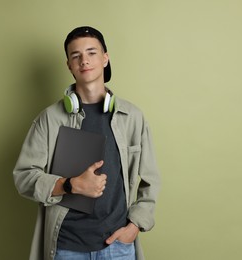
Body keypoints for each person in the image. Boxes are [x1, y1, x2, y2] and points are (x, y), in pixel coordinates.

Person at [13, 26, 160, 260]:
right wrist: (70, 185)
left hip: (118, 246)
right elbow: (24, 177)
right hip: (66, 247)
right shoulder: (49, 119)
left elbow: (151, 180)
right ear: (69, 65)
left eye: (92, 52)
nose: (84, 60)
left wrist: (134, 227)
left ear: (105, 58)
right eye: (76, 56)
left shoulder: (133, 117)